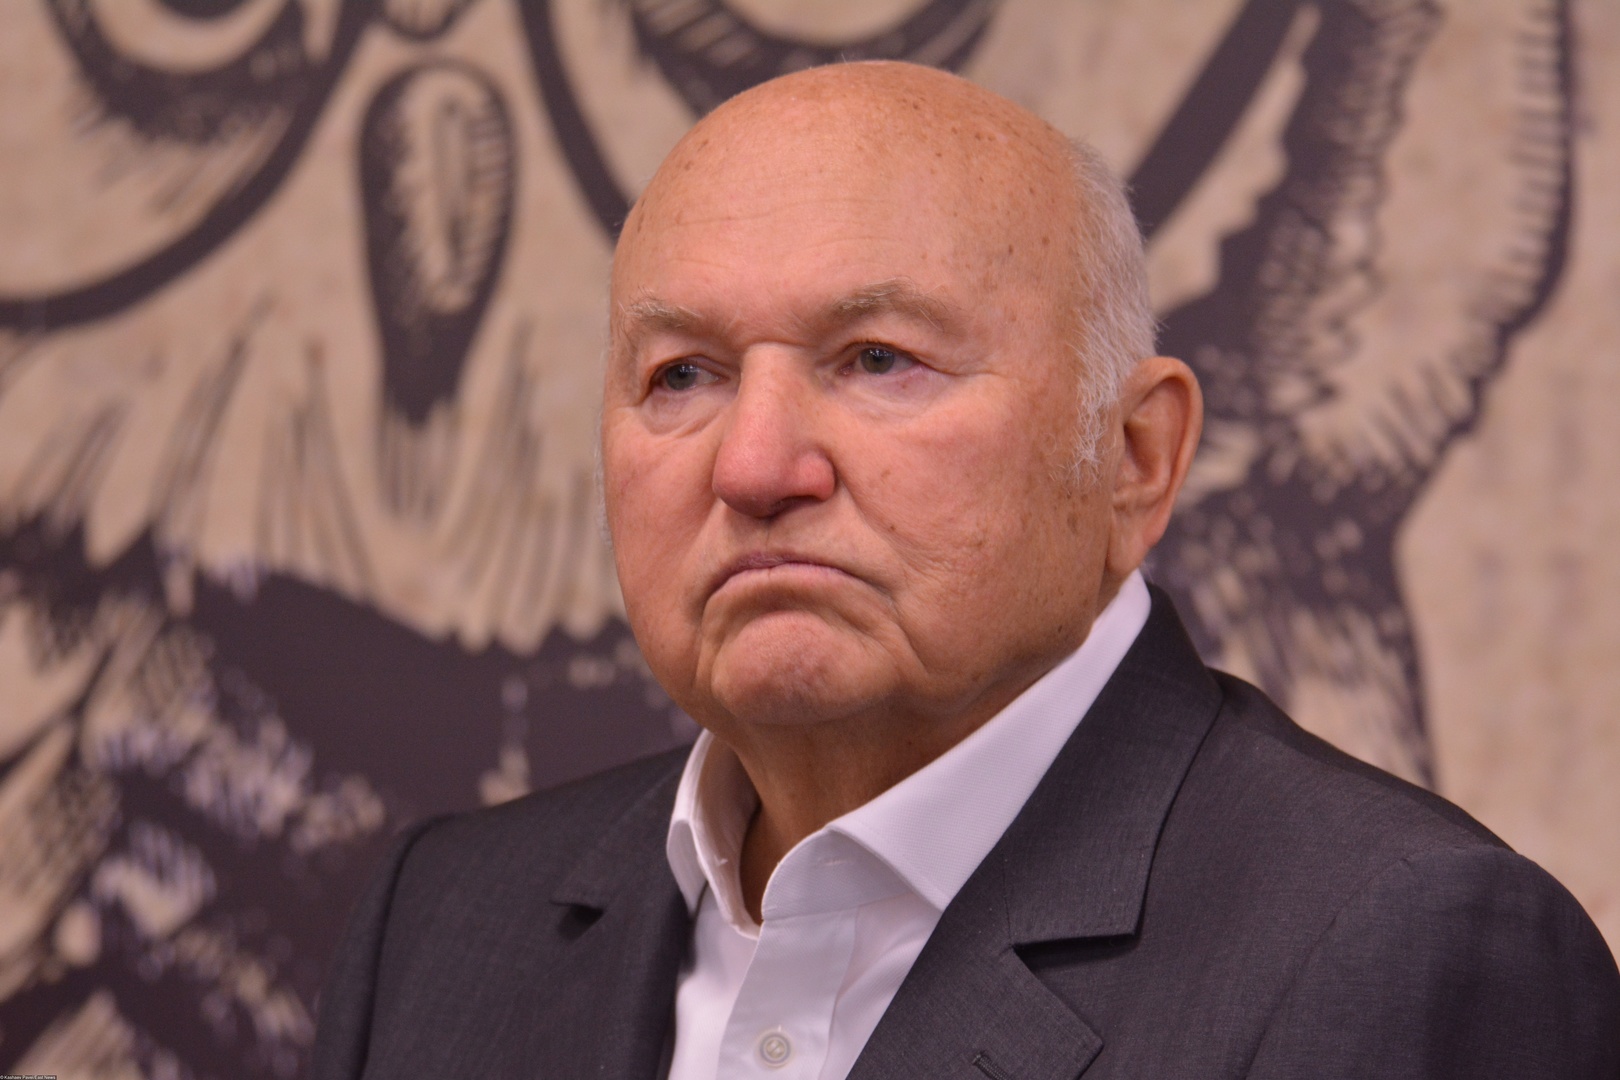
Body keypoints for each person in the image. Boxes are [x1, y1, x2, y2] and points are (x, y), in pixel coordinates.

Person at [311, 61, 1620, 1079]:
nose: (755, 465)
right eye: (683, 375)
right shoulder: (442, 924)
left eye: (879, 360)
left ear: (1134, 457)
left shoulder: (1399, 951)